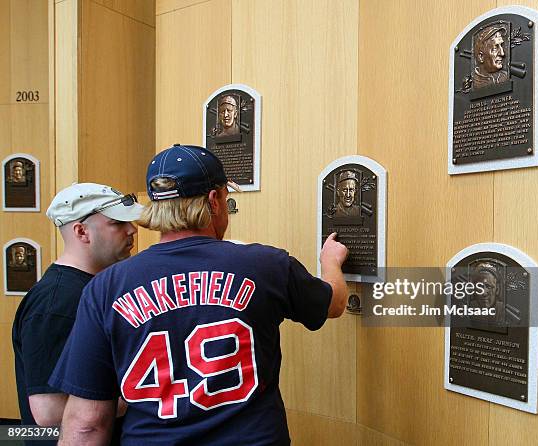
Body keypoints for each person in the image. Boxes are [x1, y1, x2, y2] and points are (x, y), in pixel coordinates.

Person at [50, 144, 349, 445]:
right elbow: (333, 303)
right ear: (214, 200)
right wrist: (330, 262)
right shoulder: (265, 265)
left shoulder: (106, 287)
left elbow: (87, 423)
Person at [12, 183, 143, 445]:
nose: (132, 230)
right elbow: (48, 410)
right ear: (81, 231)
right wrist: (139, 396)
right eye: (118, 223)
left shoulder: (92, 289)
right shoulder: (56, 303)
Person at [473, 24, 508, 88]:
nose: (502, 53)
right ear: (481, 57)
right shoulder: (472, 82)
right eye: (495, 49)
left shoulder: (504, 77)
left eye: (502, 47)